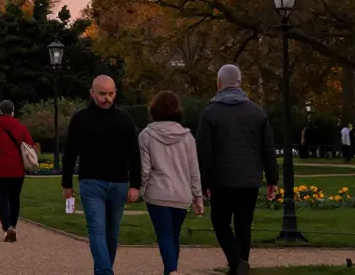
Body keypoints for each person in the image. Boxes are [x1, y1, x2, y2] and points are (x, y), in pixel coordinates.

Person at [196, 64, 278, 275]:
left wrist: (204, 182)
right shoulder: (257, 112)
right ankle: (240, 266)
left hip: (221, 179)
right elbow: (267, 149)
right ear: (240, 83)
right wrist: (272, 179)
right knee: (243, 224)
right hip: (250, 179)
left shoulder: (210, 113)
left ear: (219, 83)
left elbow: (204, 151)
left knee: (220, 222)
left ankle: (236, 261)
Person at [61, 75, 141, 275]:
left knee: (112, 234)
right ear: (92, 93)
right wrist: (67, 184)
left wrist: (135, 185)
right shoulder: (80, 119)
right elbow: (70, 153)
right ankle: (106, 271)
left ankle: (103, 270)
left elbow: (134, 154)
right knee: (97, 230)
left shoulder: (125, 120)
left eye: (111, 93)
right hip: (91, 182)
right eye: (102, 94)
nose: (107, 98)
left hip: (119, 183)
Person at [139, 90, 202, 275]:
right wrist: (197, 196)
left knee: (165, 235)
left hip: (158, 193)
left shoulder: (146, 135)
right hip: (181, 194)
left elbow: (145, 169)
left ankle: (172, 270)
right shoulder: (187, 137)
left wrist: (140, 189)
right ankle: (171, 269)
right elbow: (194, 169)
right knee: (174, 235)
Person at [0, 100, 35, 242]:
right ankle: (14, 226)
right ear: (13, 110)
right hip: (17, 169)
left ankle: (7, 227)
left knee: (2, 198)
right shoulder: (21, 127)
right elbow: (30, 145)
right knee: (15, 198)